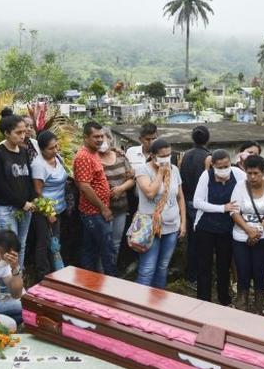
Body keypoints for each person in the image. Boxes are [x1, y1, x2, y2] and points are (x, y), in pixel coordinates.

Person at [194, 149, 245, 305]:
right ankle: (203, 300)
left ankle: (224, 299)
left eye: (226, 165)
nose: (224, 169)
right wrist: (223, 208)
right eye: (220, 167)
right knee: (205, 265)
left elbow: (255, 179)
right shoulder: (206, 176)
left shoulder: (237, 174)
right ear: (213, 165)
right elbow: (198, 202)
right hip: (206, 226)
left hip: (227, 228)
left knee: (224, 265)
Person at [135, 139, 186, 289]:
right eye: (162, 155)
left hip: (171, 227)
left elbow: (180, 196)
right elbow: (150, 192)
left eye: (169, 155)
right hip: (150, 227)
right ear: (153, 155)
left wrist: (183, 223)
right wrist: (161, 174)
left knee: (163, 266)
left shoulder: (174, 169)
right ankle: (139, 304)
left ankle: (157, 302)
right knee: (147, 268)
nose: (166, 158)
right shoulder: (143, 170)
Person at [229, 155, 264, 313]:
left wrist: (258, 230)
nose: (252, 177)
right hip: (241, 236)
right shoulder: (240, 186)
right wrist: (248, 230)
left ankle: (258, 307)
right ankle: (241, 304)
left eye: (256, 173)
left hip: (262, 238)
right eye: (249, 173)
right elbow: (234, 212)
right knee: (243, 271)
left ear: (263, 172)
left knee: (259, 272)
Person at [0, 108, 35, 270]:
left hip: (25, 207)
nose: (23, 135)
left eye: (24, 131)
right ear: (7, 133)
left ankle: (17, 278)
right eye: (18, 132)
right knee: (9, 247)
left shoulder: (24, 151)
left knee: (21, 244)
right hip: (6, 208)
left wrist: (31, 199)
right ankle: (5, 285)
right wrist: (22, 202)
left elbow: (28, 179)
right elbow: (1, 185)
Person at [74, 122, 116, 276]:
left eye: (101, 136)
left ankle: (90, 284)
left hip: (96, 211)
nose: (99, 139)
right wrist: (103, 208)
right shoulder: (84, 156)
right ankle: (112, 286)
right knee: (107, 250)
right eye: (95, 137)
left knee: (90, 249)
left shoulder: (94, 152)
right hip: (94, 212)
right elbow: (84, 186)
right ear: (86, 137)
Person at [30, 131, 68, 279]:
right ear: (42, 149)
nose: (55, 150)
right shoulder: (39, 165)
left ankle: (56, 273)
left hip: (59, 207)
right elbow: (38, 193)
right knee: (43, 242)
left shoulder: (57, 158)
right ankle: (43, 275)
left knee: (55, 243)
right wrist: (48, 213)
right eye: (51, 148)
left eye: (56, 146)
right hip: (45, 211)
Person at [179, 125, 212, 290]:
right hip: (201, 204)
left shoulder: (185, 156)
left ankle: (190, 275)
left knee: (191, 241)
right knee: (201, 242)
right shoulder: (209, 157)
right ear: (208, 139)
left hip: (186, 201)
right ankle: (196, 276)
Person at [99, 128, 135, 268]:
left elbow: (132, 178)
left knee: (115, 242)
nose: (102, 141)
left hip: (121, 207)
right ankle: (99, 276)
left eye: (104, 137)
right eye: (99, 138)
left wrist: (121, 188)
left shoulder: (120, 156)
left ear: (110, 139)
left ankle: (111, 273)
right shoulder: (93, 158)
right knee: (102, 244)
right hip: (102, 210)